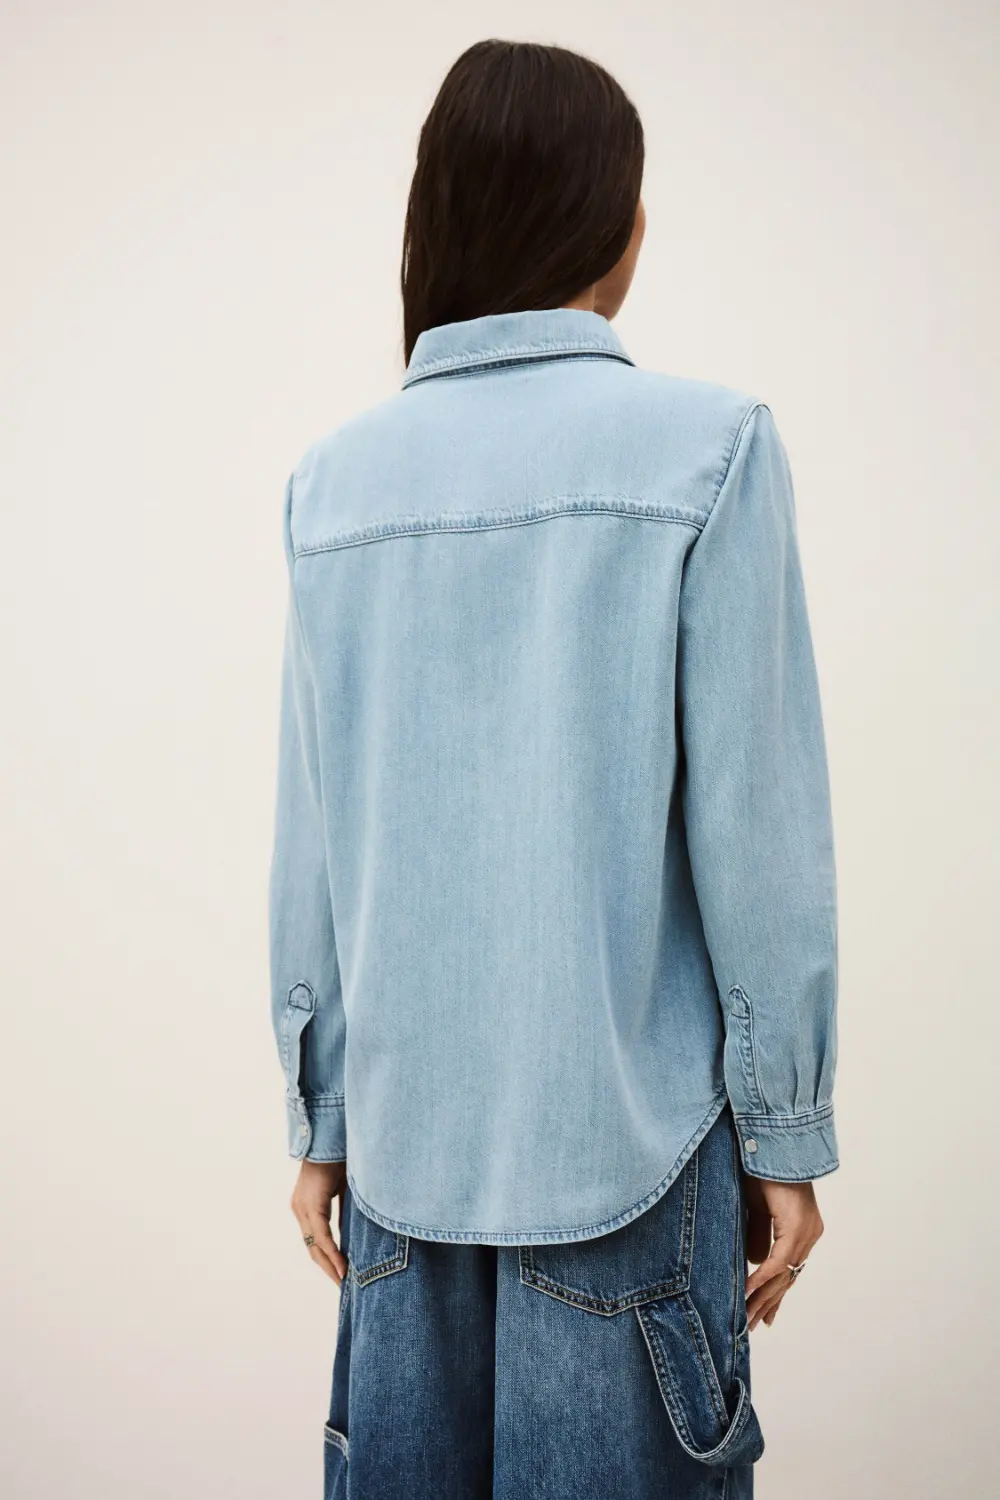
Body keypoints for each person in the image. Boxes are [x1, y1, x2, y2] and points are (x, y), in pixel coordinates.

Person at [269, 37, 838, 1500]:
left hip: (399, 1169)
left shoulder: (335, 484)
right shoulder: (709, 450)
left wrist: (324, 1116)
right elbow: (758, 830)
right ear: (616, 223)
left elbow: (315, 836)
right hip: (629, 1164)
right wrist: (785, 1130)